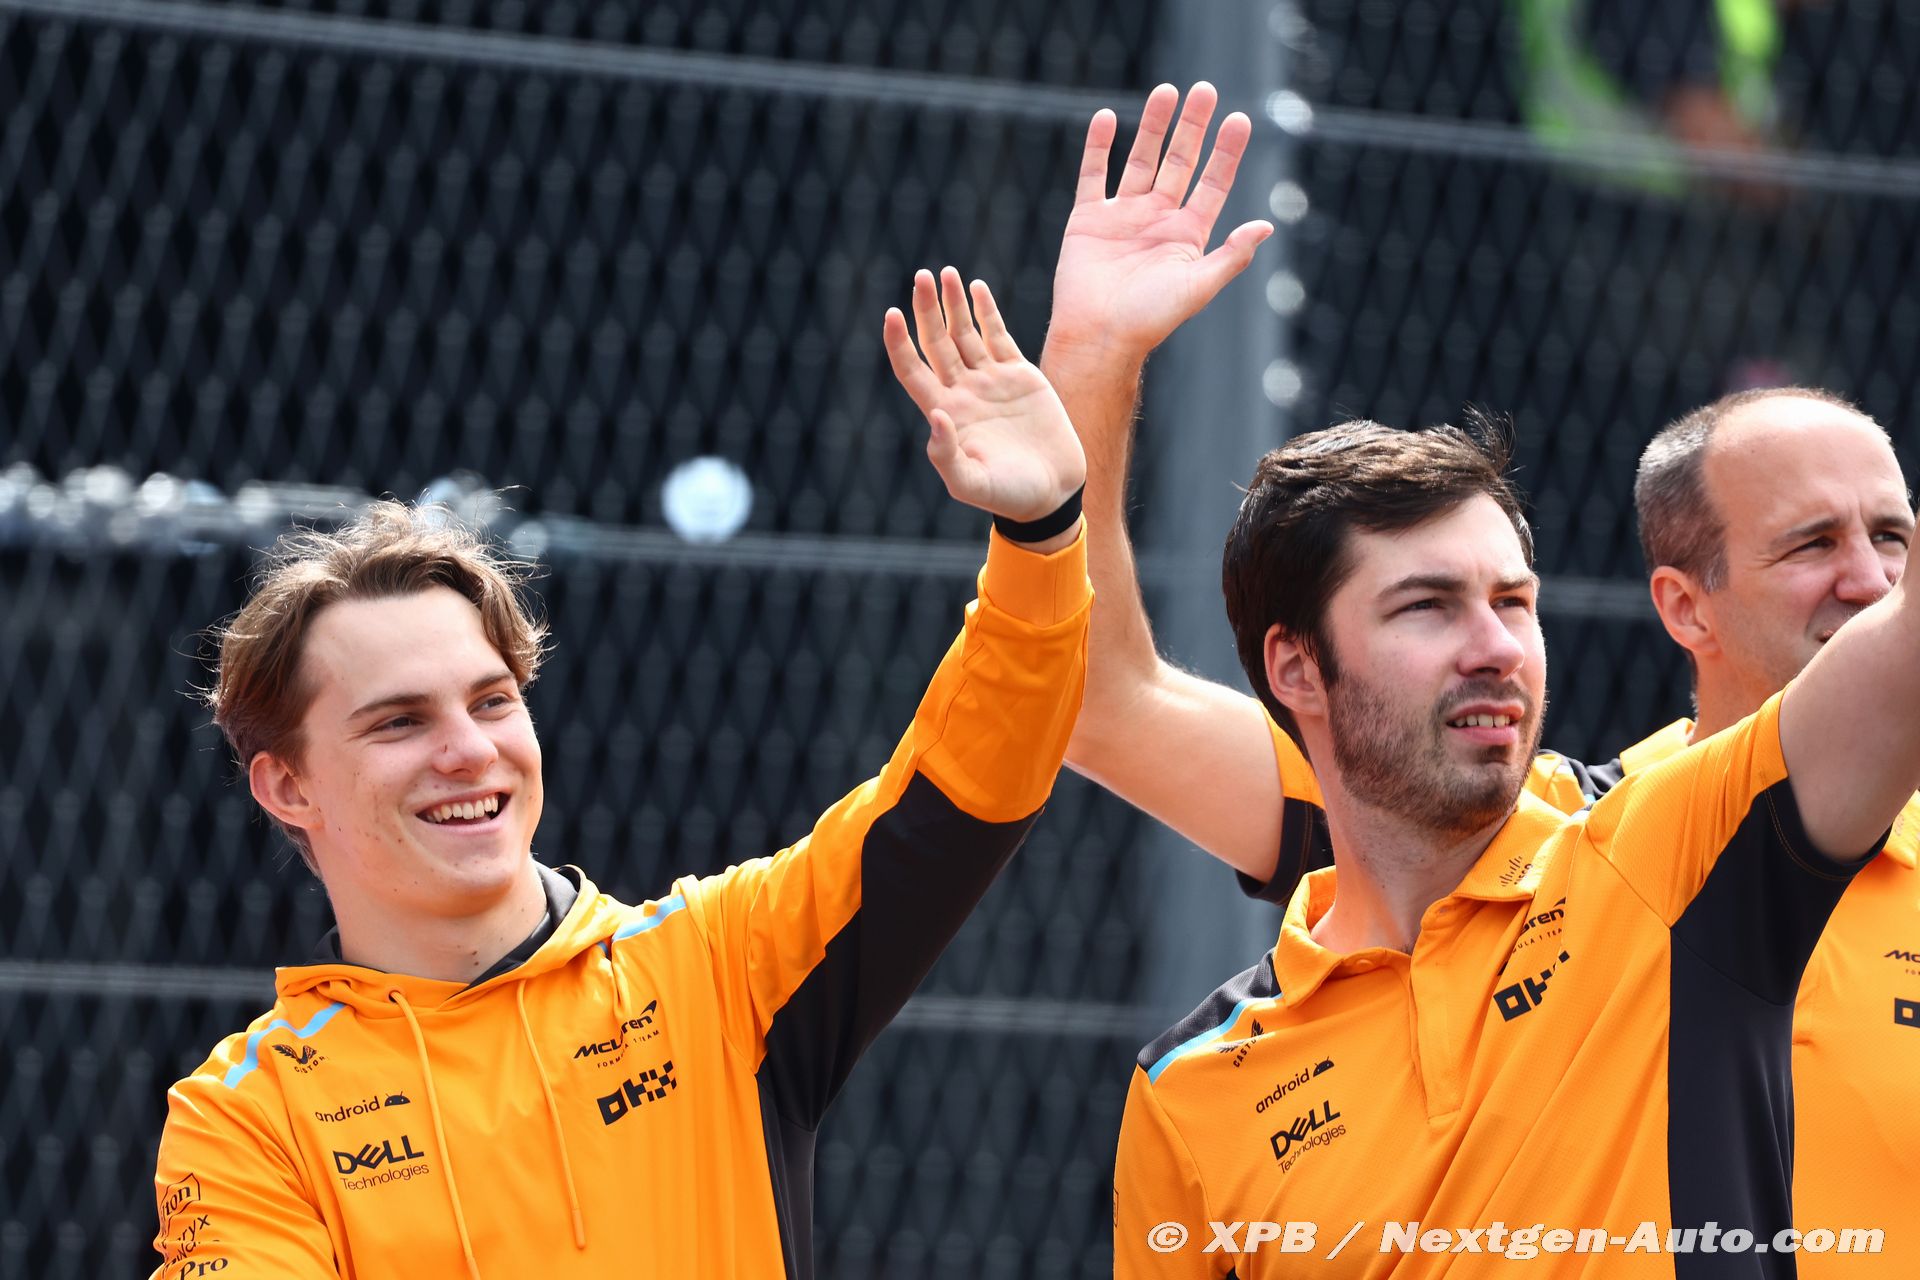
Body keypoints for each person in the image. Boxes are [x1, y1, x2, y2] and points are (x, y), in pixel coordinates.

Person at [1039, 85, 1911, 1274]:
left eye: (1514, 601)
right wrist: (1091, 363)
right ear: (1679, 603)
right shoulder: (1616, 836)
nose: (1871, 578)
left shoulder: (1664, 849)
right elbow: (1096, 700)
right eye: (1813, 542)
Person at [148, 270, 1092, 1279]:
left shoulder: (718, 967)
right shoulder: (250, 1117)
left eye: (492, 700)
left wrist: (1042, 535)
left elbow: (959, 797)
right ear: (286, 787)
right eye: (400, 721)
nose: (468, 749)